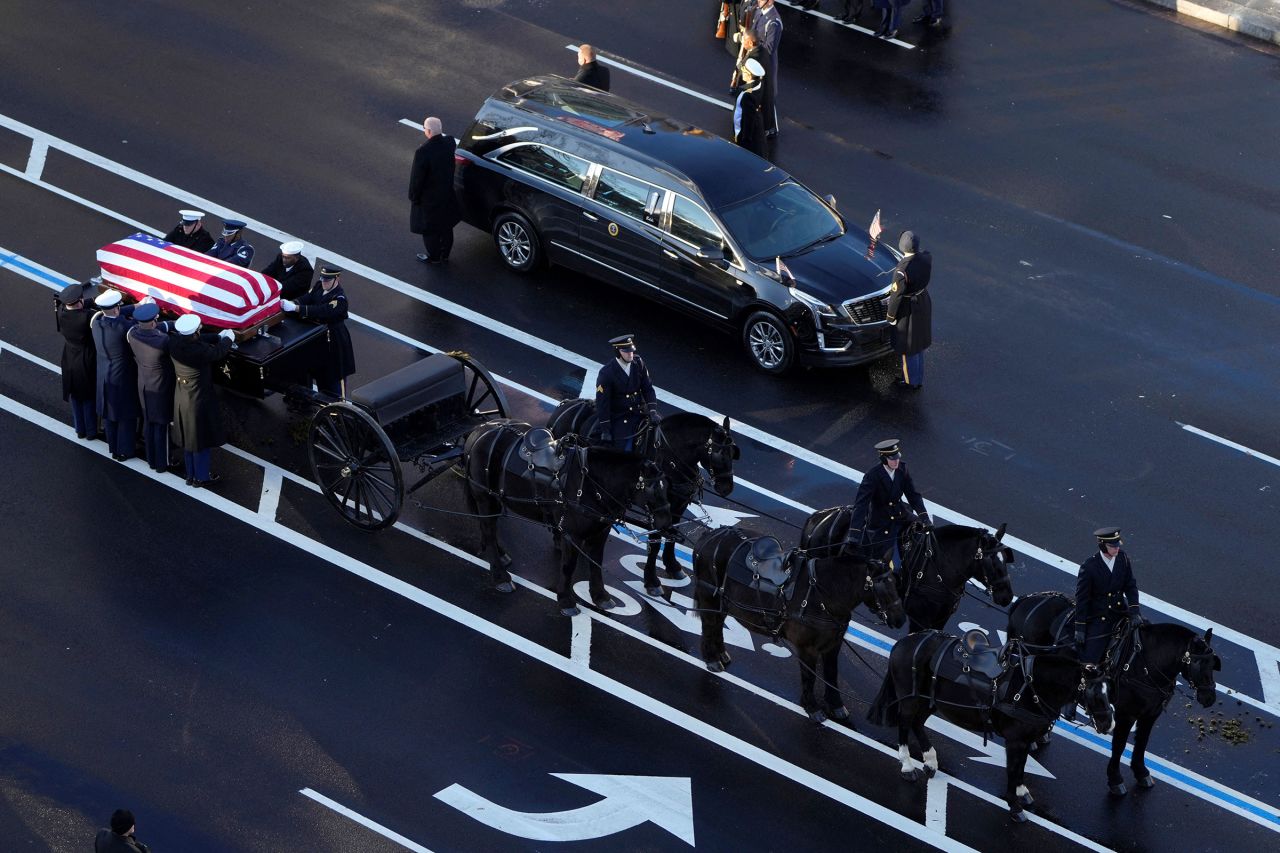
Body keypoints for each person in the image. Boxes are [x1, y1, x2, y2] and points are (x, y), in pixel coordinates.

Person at [170, 313, 235, 487]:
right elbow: (217, 352)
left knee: (188, 439)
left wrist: (216, 336)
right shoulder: (199, 351)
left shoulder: (174, 342)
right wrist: (228, 339)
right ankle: (201, 476)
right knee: (200, 440)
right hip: (199, 399)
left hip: (182, 395)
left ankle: (190, 474)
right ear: (196, 333)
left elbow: (196, 340)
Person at [849, 439, 930, 576]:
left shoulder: (902, 469)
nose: (896, 461)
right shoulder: (873, 476)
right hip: (881, 522)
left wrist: (925, 518)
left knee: (923, 537)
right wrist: (854, 534)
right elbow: (861, 505)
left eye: (897, 457)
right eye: (892, 459)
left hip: (900, 514)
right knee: (885, 565)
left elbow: (913, 495)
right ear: (883, 459)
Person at [280, 266, 355, 398]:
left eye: (327, 280)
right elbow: (307, 298)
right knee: (319, 373)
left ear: (337, 278)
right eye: (322, 279)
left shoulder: (339, 299)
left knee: (335, 379)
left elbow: (322, 311)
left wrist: (296, 308)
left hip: (334, 340)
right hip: (318, 337)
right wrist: (292, 302)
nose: (324, 282)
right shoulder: (319, 286)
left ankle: (337, 411)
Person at [1074, 527, 1141, 668]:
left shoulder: (1122, 558)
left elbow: (1130, 586)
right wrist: (1080, 627)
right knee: (1090, 659)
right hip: (1100, 617)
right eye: (1113, 546)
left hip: (1120, 612)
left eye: (1118, 545)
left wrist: (1134, 611)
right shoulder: (1089, 567)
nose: (1117, 549)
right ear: (1102, 545)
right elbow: (1082, 599)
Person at [90, 289, 141, 461]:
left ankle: (113, 447)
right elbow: (138, 322)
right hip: (122, 376)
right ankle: (125, 451)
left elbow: (112, 314)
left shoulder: (97, 323)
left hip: (103, 375)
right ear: (117, 308)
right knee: (125, 415)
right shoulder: (123, 327)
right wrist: (140, 308)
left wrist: (135, 306)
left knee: (110, 414)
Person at [126, 302, 176, 473]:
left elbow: (148, 330)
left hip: (144, 385)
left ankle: (152, 459)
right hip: (161, 388)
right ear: (155, 320)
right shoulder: (163, 341)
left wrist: (168, 325)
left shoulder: (133, 335)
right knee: (161, 426)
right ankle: (163, 463)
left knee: (149, 422)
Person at [409, 116, 462, 265]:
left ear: (429, 131)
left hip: (430, 199)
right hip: (446, 194)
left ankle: (435, 257)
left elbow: (417, 179)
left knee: (430, 229)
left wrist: (414, 196)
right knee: (446, 226)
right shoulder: (449, 142)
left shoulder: (423, 152)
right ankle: (445, 254)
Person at [594, 334, 659, 451]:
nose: (631, 354)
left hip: (640, 411)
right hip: (620, 417)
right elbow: (603, 405)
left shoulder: (638, 363)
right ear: (617, 352)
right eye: (627, 352)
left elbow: (647, 388)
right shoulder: (606, 374)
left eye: (632, 351)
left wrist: (653, 411)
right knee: (624, 451)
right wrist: (606, 430)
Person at [886, 230, 932, 389]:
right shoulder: (926, 257)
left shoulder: (901, 271)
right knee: (918, 344)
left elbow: (896, 296)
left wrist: (891, 317)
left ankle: (910, 382)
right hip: (923, 301)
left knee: (908, 346)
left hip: (908, 308)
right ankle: (917, 378)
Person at [55, 282, 99, 440]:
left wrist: (92, 300)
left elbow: (79, 306)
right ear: (80, 300)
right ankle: (91, 431)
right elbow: (97, 315)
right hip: (85, 359)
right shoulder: (86, 317)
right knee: (87, 396)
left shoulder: (62, 312)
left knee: (75, 394)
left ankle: (80, 429)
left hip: (68, 358)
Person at [744, 0, 782, 137]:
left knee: (768, 95)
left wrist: (752, 45)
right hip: (756, 58)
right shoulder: (760, 11)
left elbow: (770, 48)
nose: (758, 0)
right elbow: (754, 28)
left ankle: (771, 127)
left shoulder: (774, 22)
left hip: (766, 62)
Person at [733, 59, 767, 157]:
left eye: (744, 71)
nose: (742, 73)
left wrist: (745, 140)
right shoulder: (759, 82)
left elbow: (748, 120)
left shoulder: (747, 95)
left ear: (749, 75)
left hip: (746, 133)